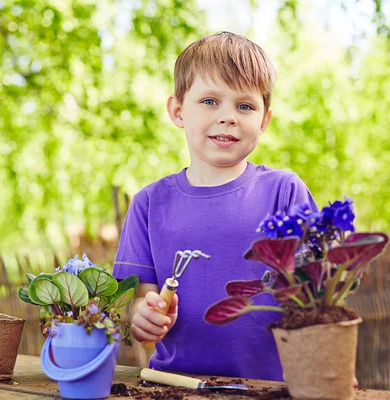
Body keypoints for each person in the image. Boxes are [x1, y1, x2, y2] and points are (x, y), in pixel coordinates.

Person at [112, 32, 318, 381]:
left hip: (272, 388)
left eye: (245, 106)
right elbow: (138, 299)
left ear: (264, 120)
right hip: (175, 384)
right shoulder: (149, 203)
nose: (228, 117)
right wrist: (143, 317)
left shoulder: (285, 194)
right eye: (210, 101)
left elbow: (318, 298)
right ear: (178, 111)